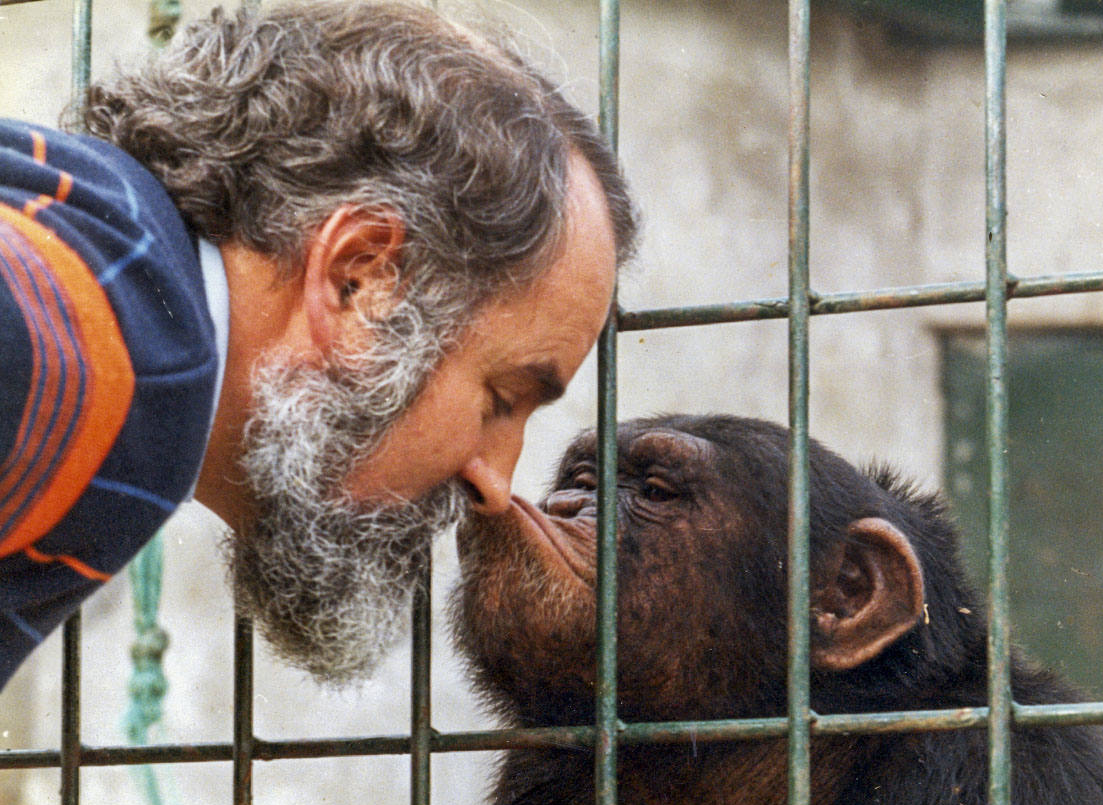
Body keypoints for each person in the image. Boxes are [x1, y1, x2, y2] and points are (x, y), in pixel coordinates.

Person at [0, 0, 638, 689]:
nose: (495, 482)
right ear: (357, 277)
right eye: (501, 399)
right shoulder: (105, 354)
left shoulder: (86, 241)